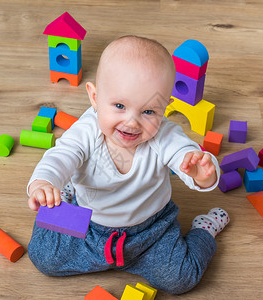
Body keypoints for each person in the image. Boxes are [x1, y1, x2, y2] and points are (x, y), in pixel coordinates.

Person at [27, 35, 229, 295]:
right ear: (95, 97)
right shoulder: (88, 130)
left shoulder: (164, 135)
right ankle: (66, 194)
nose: (132, 122)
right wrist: (44, 182)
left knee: (181, 278)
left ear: (165, 108)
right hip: (88, 222)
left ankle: (204, 230)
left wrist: (202, 174)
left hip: (153, 229)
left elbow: (186, 154)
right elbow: (61, 156)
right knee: (43, 255)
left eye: (148, 112)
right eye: (119, 106)